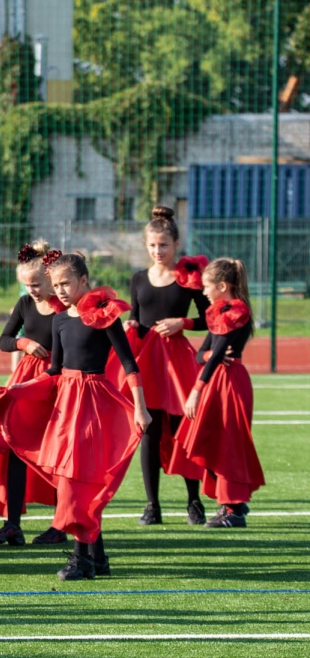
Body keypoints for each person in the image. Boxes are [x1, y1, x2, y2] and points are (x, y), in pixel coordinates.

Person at [0, 252, 151, 580]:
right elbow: (54, 372)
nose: (59, 290)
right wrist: (11, 392)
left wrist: (140, 408)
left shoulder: (104, 315)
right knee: (70, 478)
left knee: (78, 479)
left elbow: (130, 363)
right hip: (65, 406)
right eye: (55, 284)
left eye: (66, 283)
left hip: (94, 403)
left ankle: (81, 560)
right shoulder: (59, 320)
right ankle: (96, 558)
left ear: (84, 281)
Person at [0, 243, 63, 547]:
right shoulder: (24, 304)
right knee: (13, 448)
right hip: (25, 382)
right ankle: (12, 525)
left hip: (56, 383)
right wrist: (24, 344)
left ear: (51, 278)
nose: (32, 289)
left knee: (56, 454)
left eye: (36, 283)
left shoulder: (64, 307)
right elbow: (4, 340)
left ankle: (61, 524)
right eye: (27, 284)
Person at [126, 206, 211, 526]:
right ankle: (152, 506)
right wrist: (130, 323)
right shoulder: (137, 279)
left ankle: (194, 501)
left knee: (181, 431)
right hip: (147, 362)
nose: (157, 251)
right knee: (147, 430)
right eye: (152, 245)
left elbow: (209, 318)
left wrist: (183, 322)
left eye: (163, 245)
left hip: (177, 363)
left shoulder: (188, 276)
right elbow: (137, 315)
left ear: (176, 244)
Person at [169, 258, 264, 528]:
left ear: (223, 285)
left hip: (230, 383)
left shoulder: (237, 311)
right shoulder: (217, 310)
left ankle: (233, 508)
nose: (204, 292)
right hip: (215, 382)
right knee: (205, 439)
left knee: (228, 442)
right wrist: (209, 356)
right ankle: (233, 502)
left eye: (207, 286)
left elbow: (217, 355)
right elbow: (203, 355)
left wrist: (195, 391)